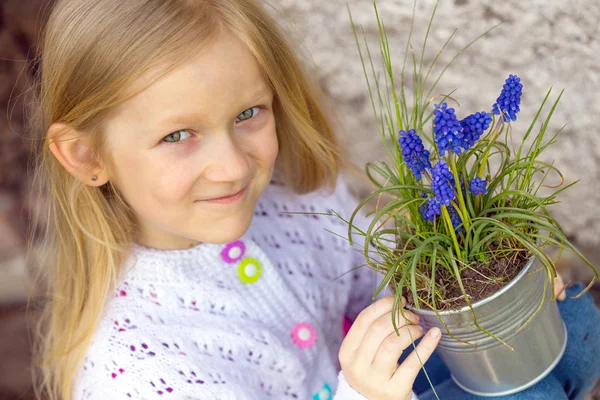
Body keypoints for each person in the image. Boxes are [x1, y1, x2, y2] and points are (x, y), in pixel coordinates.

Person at [24, 0, 599, 399]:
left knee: (576, 324)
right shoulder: (139, 373)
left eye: (248, 114)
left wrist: (478, 295)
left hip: (392, 380)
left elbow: (383, 285)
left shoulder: (299, 203)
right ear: (86, 157)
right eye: (178, 135)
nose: (232, 166)